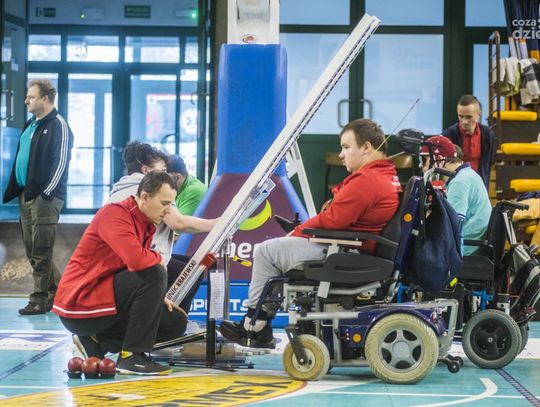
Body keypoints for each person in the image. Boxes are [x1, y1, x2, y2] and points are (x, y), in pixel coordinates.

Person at [219, 118, 402, 348]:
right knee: (276, 252)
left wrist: (298, 231)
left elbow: (333, 220)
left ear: (366, 147)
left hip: (345, 252)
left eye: (346, 147)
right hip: (353, 248)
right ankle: (259, 323)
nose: (341, 154)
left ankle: (254, 326)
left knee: (267, 251)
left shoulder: (368, 180)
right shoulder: (386, 176)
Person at [53, 171, 181, 376]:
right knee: (155, 273)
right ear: (145, 197)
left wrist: (156, 295)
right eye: (165, 203)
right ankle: (131, 356)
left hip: (104, 297)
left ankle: (97, 341)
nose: (169, 210)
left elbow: (134, 267)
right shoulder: (114, 214)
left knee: (174, 323)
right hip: (79, 304)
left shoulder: (145, 223)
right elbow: (137, 260)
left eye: (171, 204)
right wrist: (157, 260)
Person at [108, 141, 216, 332]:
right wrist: (217, 223)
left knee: (190, 266)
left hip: (127, 261)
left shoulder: (121, 188)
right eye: (163, 170)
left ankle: (171, 319)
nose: (166, 176)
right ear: (146, 170)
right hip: (131, 265)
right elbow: (178, 223)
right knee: (185, 271)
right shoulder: (151, 190)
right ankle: (166, 322)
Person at [3, 79, 74, 315]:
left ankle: (39, 299)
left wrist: (46, 193)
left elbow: (61, 164)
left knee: (41, 249)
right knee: (32, 248)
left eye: (31, 97)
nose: (26, 101)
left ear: (45, 99)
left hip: (46, 197)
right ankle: (58, 292)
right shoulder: (31, 124)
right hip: (26, 194)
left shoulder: (59, 125)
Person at [423, 136, 492, 256]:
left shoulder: (460, 182)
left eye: (426, 160)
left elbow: (450, 226)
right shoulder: (468, 175)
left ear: (439, 160)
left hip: (466, 249)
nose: (422, 166)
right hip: (471, 243)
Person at [441, 94, 496, 190]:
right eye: (461, 116)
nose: (464, 121)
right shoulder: (448, 135)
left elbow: (489, 162)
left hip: (480, 187)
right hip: (455, 187)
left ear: (479, 115)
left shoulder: (488, 135)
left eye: (469, 117)